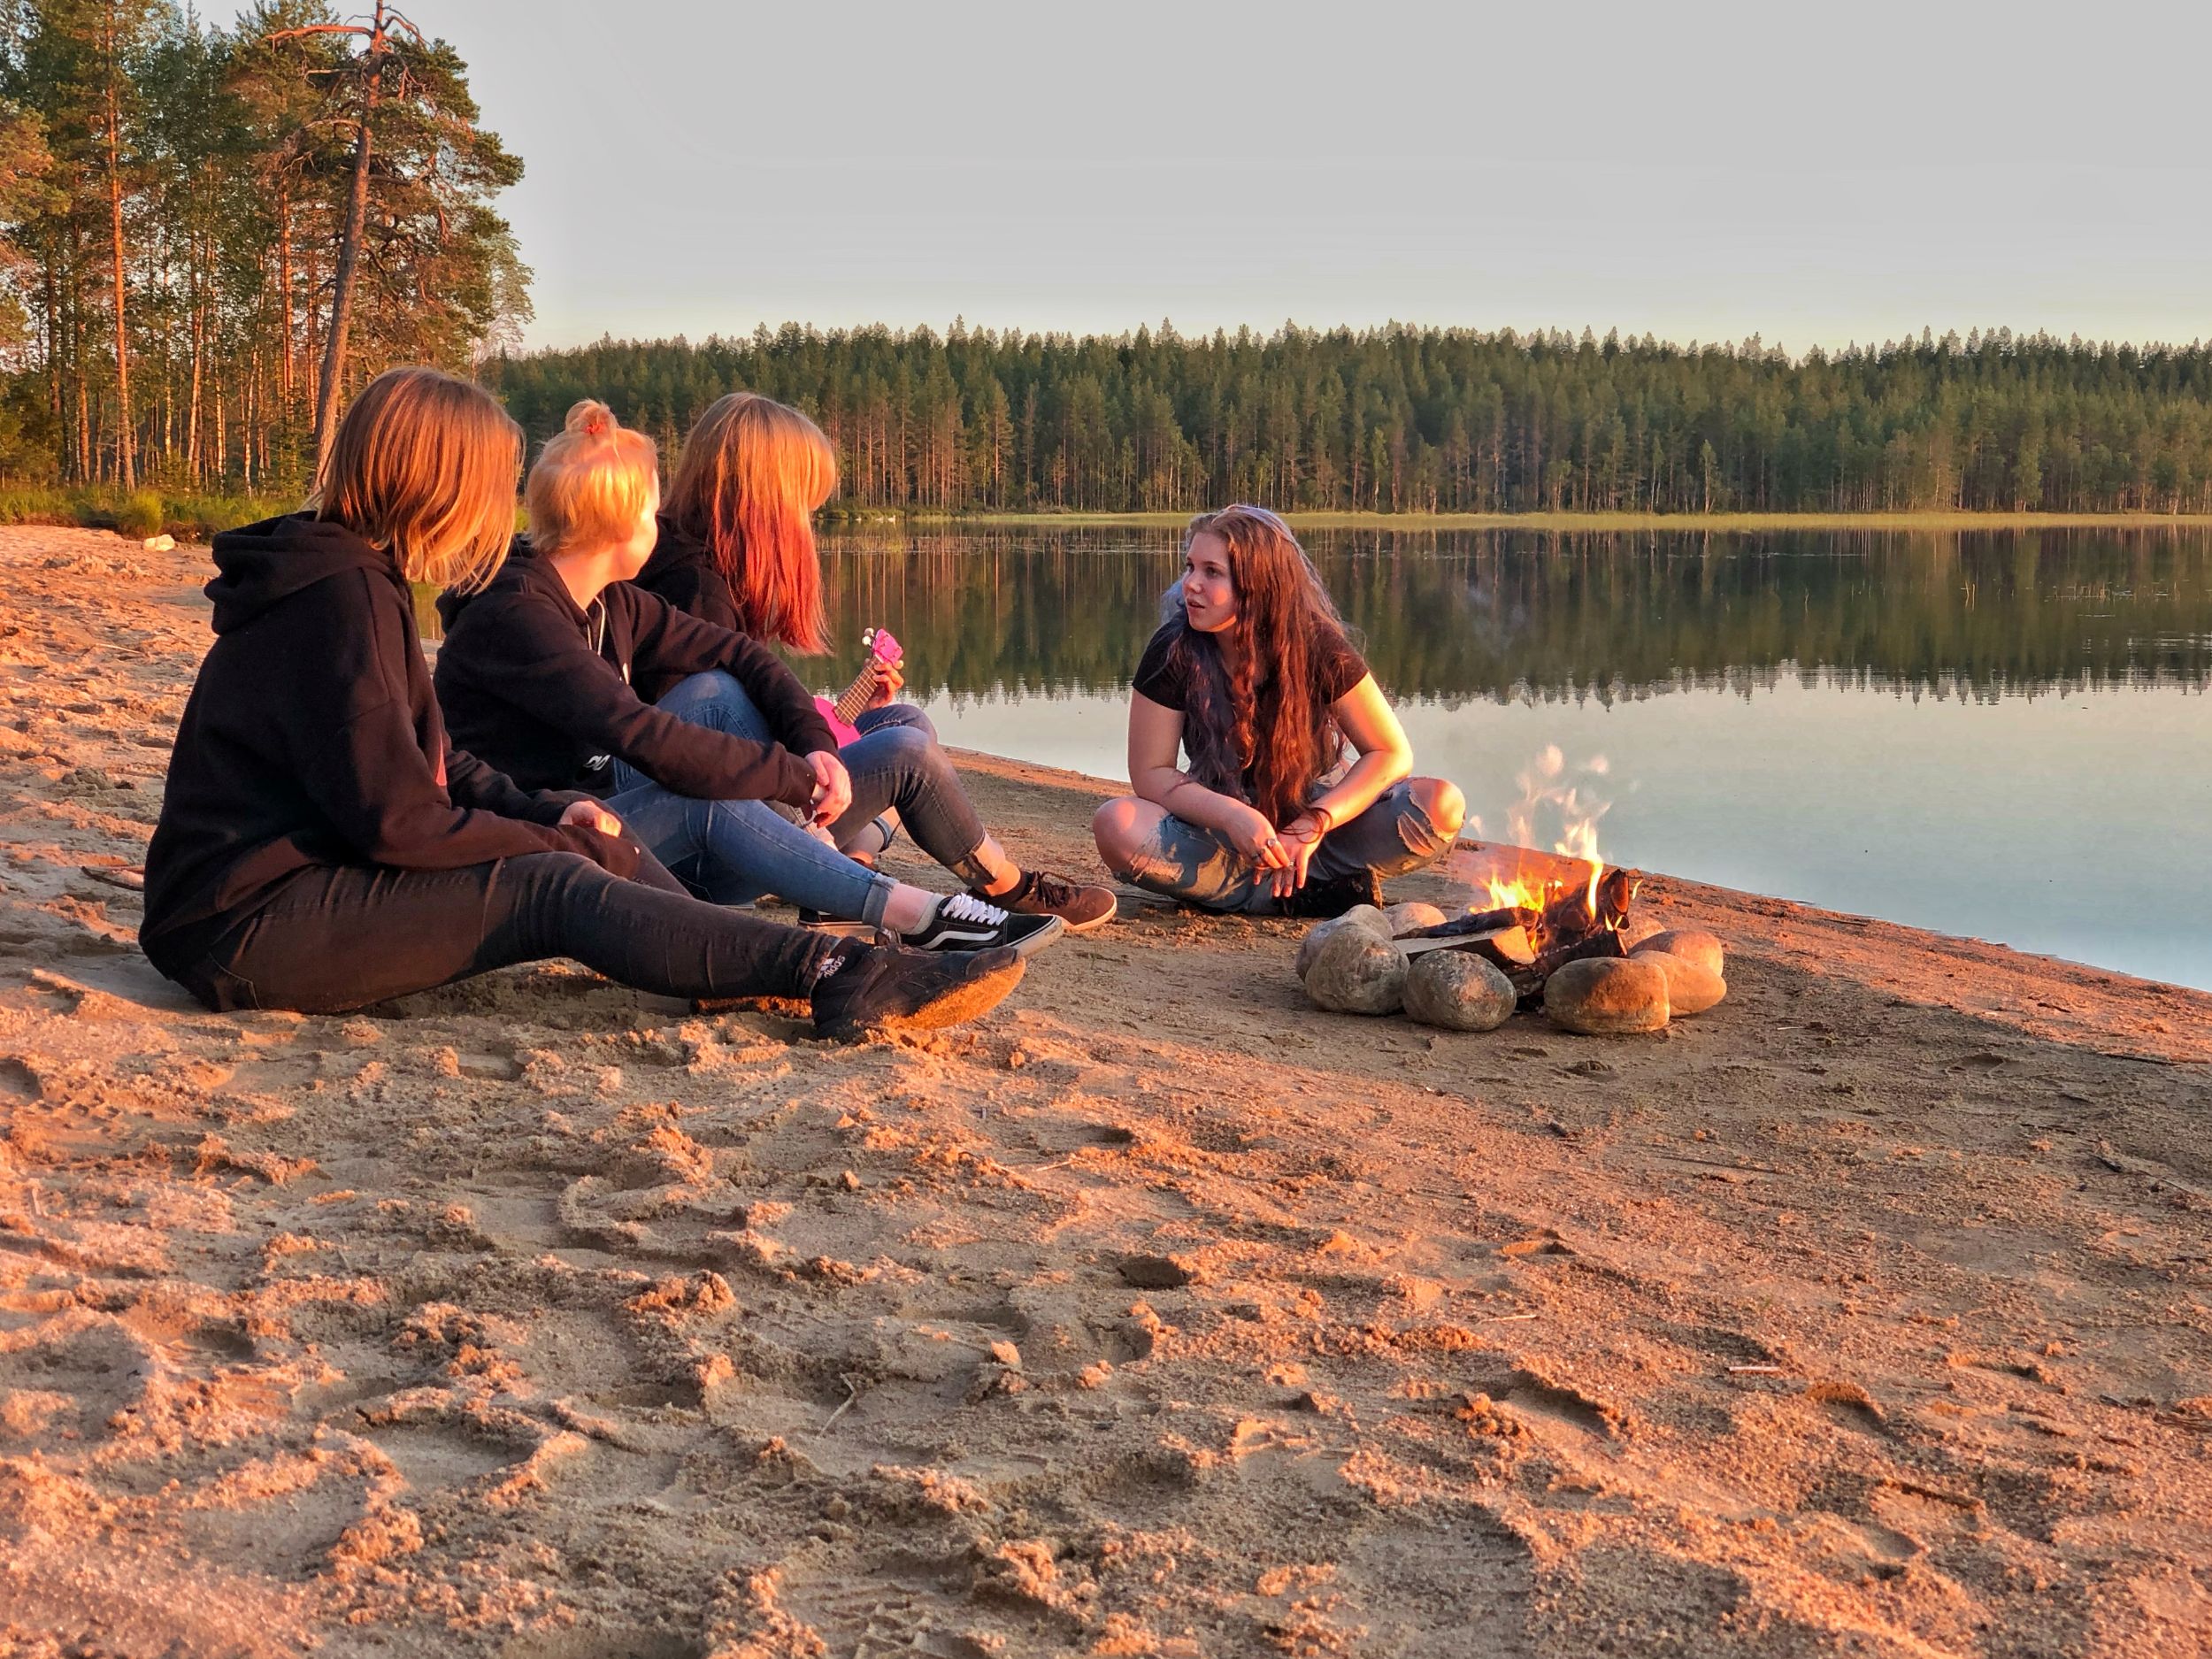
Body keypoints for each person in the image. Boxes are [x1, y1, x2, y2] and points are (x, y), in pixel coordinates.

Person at [138, 365, 1024, 1039]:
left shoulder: (350, 579)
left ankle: (756, 957)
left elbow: (438, 760)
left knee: (578, 837)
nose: (499, 511)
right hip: (245, 927)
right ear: (439, 484)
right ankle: (841, 972)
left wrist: (550, 808)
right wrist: (547, 836)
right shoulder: (343, 599)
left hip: (260, 900)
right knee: (551, 881)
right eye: (491, 485)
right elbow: (399, 823)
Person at [434, 400, 1058, 956]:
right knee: (718, 747)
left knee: (746, 698)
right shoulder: (519, 616)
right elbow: (643, 735)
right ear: (624, 524)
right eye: (653, 510)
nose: (663, 521)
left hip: (593, 814)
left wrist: (815, 744)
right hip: (537, 835)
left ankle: (873, 879)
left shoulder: (611, 603)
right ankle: (921, 913)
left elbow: (742, 653)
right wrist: (797, 778)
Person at [636, 390, 1118, 933]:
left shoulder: (696, 565)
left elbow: (740, 730)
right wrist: (820, 760)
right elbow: (698, 756)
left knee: (902, 721)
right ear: (764, 500)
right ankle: (1009, 886)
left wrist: (840, 720)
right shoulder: (694, 589)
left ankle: (846, 873)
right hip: (717, 853)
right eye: (804, 504)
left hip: (734, 819)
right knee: (907, 753)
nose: (808, 522)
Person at [1091, 504, 1465, 915]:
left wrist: (1313, 824)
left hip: (1318, 836)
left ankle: (1260, 892)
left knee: (1440, 805)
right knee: (1116, 824)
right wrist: (1233, 816)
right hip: (1220, 836)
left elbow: (1390, 753)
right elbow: (1151, 773)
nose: (1190, 585)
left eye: (1211, 572)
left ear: (1259, 584)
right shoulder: (1173, 648)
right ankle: (1290, 895)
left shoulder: (1315, 643)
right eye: (1190, 567)